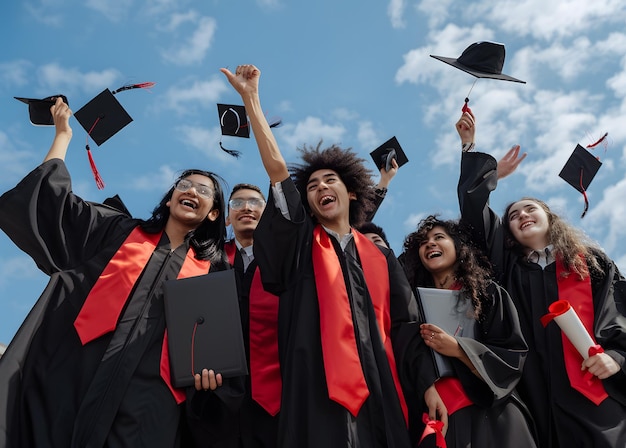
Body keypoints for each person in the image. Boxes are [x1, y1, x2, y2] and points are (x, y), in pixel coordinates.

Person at [0, 97, 232, 447]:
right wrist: (63, 136)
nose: (191, 191)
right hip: (76, 369)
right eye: (184, 185)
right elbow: (51, 203)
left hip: (149, 397)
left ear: (214, 213)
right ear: (169, 199)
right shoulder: (117, 231)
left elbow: (217, 349)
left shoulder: (214, 272)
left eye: (204, 190)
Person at [222, 64, 422, 447]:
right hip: (314, 388)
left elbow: (406, 326)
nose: (320, 187)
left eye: (331, 180)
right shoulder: (301, 245)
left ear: (351, 193)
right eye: (312, 185)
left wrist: (429, 385)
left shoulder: (379, 258)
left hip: (381, 387)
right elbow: (279, 172)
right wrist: (251, 100)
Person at [456, 109, 626, 447]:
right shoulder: (508, 269)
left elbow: (618, 314)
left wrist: (617, 357)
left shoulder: (591, 264)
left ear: (550, 218)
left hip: (594, 393)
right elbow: (476, 212)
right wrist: (473, 152)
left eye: (530, 209)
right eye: (514, 215)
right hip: (536, 396)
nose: (522, 215)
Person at [400, 215, 537, 447]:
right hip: (440, 415)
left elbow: (512, 353)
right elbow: (409, 359)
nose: (430, 243)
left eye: (439, 237)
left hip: (495, 413)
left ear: (458, 247)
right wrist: (427, 388)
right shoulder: (413, 309)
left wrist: (460, 349)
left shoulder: (487, 294)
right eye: (423, 242)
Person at [188, 182, 280, 447]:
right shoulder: (206, 259)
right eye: (237, 203)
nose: (247, 208)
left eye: (255, 203)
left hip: (276, 393)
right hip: (215, 393)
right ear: (227, 217)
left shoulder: (286, 261)